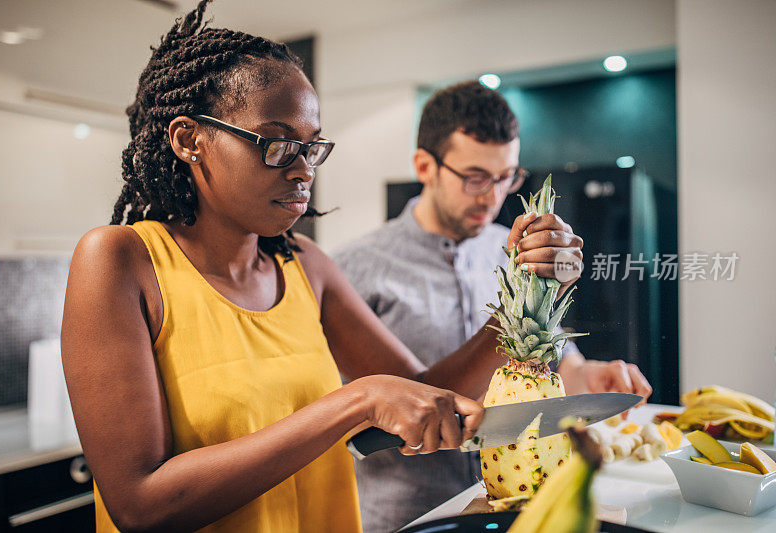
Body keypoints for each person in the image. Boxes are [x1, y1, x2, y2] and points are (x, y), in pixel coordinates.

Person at [60, 3, 585, 532]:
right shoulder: (120, 261)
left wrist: (529, 288)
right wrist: (356, 402)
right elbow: (140, 504)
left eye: (312, 148)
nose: (303, 170)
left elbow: (421, 387)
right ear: (189, 140)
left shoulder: (306, 267)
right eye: (279, 144)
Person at [332, 81, 654, 532]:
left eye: (507, 177)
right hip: (407, 518)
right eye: (475, 177)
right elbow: (386, 405)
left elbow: (556, 364)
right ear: (425, 165)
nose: (492, 196)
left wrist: (588, 376)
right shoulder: (351, 268)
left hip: (516, 509)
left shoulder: (514, 251)